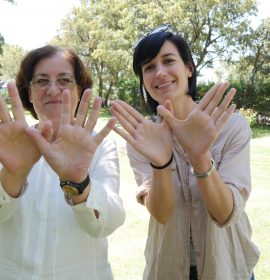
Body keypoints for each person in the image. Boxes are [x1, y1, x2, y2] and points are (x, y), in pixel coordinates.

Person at [110, 24, 259, 280]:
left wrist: (200, 158)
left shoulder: (230, 126)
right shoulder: (143, 139)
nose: (160, 73)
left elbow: (226, 213)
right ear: (144, 81)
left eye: (168, 61)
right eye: (149, 67)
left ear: (188, 68)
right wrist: (161, 162)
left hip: (227, 268)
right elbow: (161, 213)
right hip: (168, 270)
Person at [0, 45, 125, 279]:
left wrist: (78, 183)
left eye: (64, 80)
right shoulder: (7, 144)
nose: (53, 89)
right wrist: (13, 176)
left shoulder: (99, 146)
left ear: (79, 90)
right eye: (41, 81)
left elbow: (107, 223)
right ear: (28, 93)